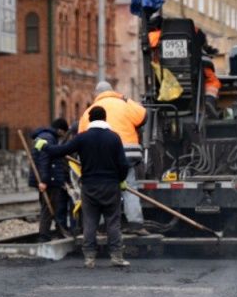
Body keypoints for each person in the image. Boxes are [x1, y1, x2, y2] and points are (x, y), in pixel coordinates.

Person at [47, 106, 130, 268]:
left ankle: (89, 258)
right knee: (113, 222)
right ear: (105, 119)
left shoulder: (82, 138)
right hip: (110, 186)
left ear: (90, 119)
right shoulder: (114, 138)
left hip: (90, 187)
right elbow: (123, 164)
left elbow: (60, 151)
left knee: (90, 221)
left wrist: (43, 146)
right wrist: (121, 179)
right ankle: (117, 257)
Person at [77, 81, 148, 235]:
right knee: (129, 188)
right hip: (128, 153)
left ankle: (102, 227)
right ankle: (136, 224)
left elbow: (82, 136)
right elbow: (143, 116)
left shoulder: (89, 111)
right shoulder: (125, 104)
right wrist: (125, 98)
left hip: (102, 158)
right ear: (112, 91)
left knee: (101, 190)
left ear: (97, 94)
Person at [30, 118, 71, 241]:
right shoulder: (48, 138)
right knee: (48, 208)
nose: (63, 136)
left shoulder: (47, 136)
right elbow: (44, 159)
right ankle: (44, 236)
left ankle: (51, 233)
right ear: (59, 130)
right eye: (64, 133)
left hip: (50, 178)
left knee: (51, 207)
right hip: (50, 180)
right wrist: (44, 180)